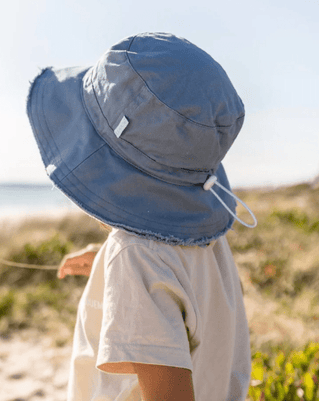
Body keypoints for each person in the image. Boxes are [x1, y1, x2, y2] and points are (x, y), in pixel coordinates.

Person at [26, 32, 257, 401]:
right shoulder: (195, 233)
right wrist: (105, 258)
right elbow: (183, 283)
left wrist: (123, 257)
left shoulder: (136, 258)